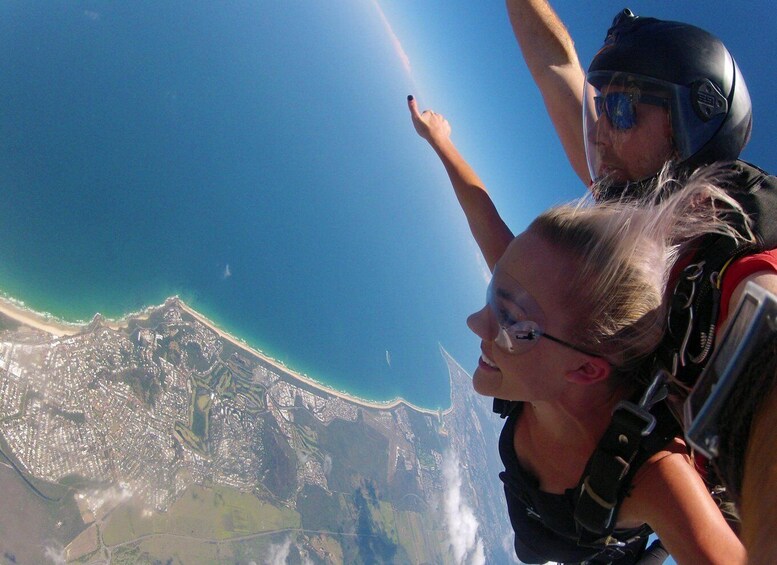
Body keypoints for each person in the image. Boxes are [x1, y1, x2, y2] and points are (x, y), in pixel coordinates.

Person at [464, 170, 747, 563]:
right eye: (494, 293)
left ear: (586, 370)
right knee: (528, 551)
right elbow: (483, 218)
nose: (477, 322)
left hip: (589, 545)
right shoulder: (546, 323)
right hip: (536, 527)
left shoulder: (654, 475)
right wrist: (438, 138)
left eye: (511, 321)